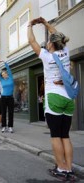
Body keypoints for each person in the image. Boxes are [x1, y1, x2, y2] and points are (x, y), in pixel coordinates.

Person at [28, 17, 77, 181]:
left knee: (56, 135)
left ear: (50, 44)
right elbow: (57, 35)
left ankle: (61, 169)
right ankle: (69, 169)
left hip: (54, 97)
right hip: (68, 98)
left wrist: (30, 25)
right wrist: (46, 24)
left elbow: (31, 40)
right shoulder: (65, 52)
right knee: (65, 136)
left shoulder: (47, 56)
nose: (47, 43)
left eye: (48, 42)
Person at [0, 60, 14, 133]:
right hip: (3, 98)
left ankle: (10, 127)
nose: (3, 75)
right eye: (2, 74)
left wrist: (4, 62)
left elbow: (8, 69)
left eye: (4, 74)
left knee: (11, 112)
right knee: (3, 112)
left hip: (10, 98)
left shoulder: (10, 78)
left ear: (7, 74)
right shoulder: (2, 80)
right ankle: (4, 126)